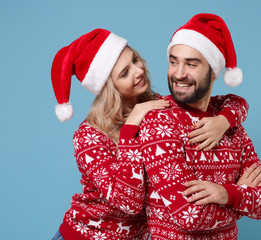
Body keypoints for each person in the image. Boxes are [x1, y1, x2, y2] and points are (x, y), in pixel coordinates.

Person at [50, 28, 250, 240]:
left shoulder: (159, 105)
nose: (138, 71)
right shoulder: (89, 137)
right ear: (109, 87)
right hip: (86, 236)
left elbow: (233, 102)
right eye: (124, 73)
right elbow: (130, 203)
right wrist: (130, 130)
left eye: (135, 59)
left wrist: (223, 121)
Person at [138, 13, 261, 239]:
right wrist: (239, 196)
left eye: (191, 64)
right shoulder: (160, 122)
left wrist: (225, 194)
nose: (178, 73)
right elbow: (190, 215)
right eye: (173, 61)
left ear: (213, 72)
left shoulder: (231, 128)